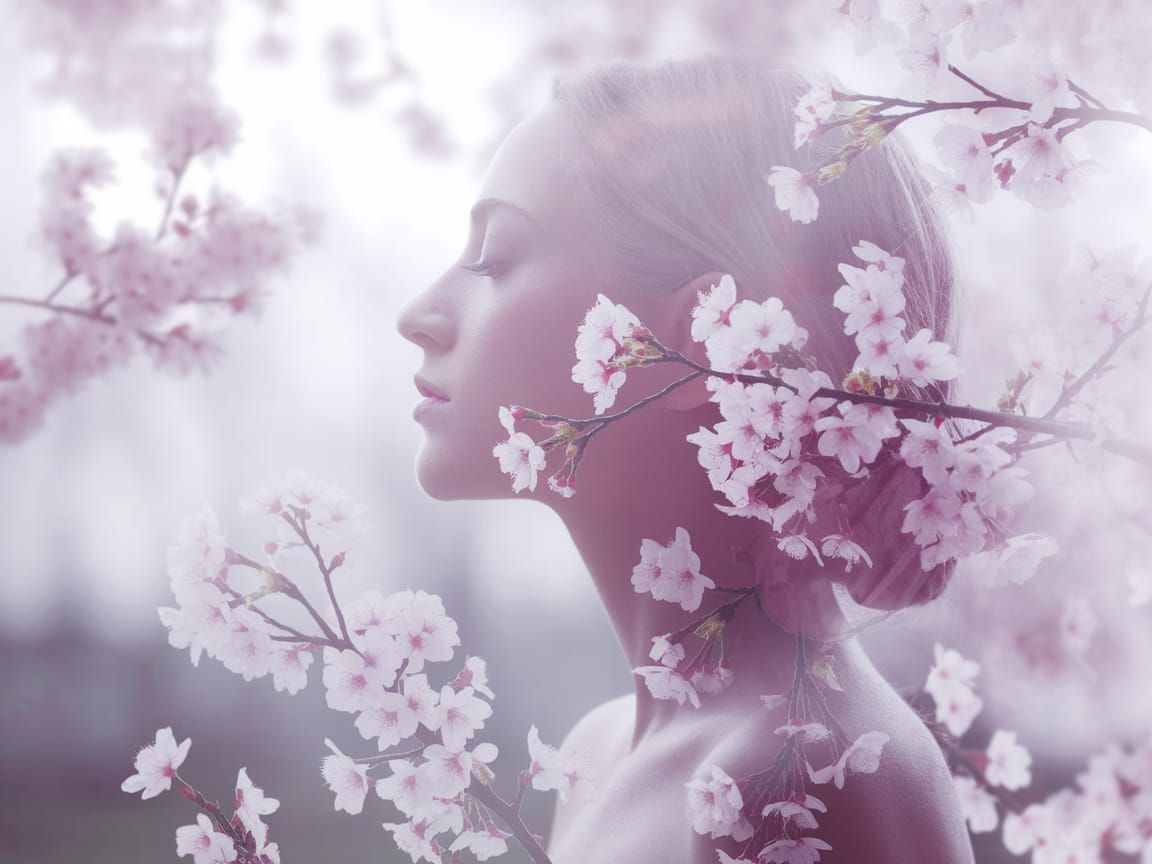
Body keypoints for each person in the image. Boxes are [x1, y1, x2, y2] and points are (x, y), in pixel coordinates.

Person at [396, 54, 974, 864]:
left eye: (494, 258)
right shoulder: (599, 758)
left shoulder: (800, 777)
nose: (417, 315)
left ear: (702, 338)